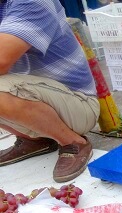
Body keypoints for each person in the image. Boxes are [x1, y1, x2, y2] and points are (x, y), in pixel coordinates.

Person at [0, 0, 99, 183]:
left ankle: (73, 142)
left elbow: (1, 60)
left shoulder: (32, 2)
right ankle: (35, 140)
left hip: (77, 104)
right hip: (36, 95)